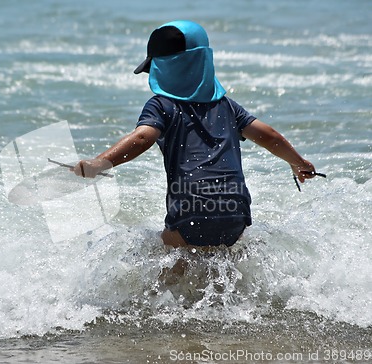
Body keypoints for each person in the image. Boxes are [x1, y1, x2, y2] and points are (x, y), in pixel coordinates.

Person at [72, 20, 317, 249]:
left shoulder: (161, 105)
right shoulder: (228, 107)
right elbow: (271, 137)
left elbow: (141, 137)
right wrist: (299, 163)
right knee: (221, 267)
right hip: (235, 207)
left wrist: (99, 163)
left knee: (164, 264)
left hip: (192, 206)